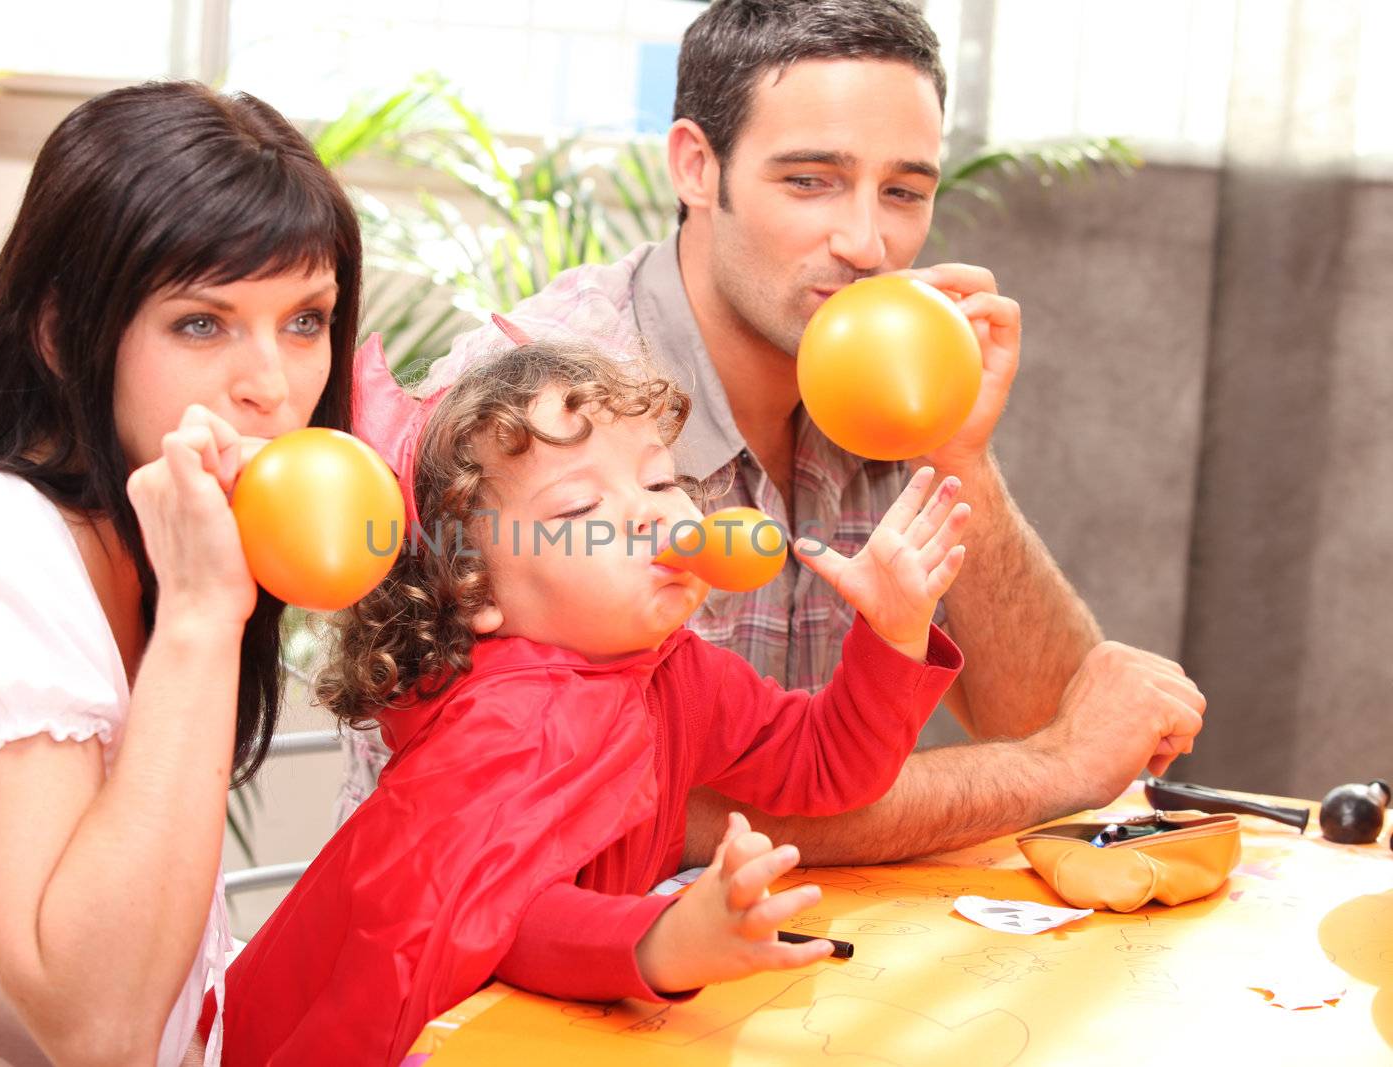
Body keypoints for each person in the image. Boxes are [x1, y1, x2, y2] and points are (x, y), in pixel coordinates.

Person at [338, 0, 1207, 865]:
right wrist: (1051, 770)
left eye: (903, 192)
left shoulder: (885, 376)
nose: (868, 243)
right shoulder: (527, 410)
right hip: (499, 979)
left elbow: (1051, 721)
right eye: (810, 181)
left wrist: (958, 454)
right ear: (695, 167)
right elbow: (632, 814)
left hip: (789, 965)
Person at [0, 81, 362, 1066]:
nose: (271, 384)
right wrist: (198, 617)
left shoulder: (145, 534)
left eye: (304, 321)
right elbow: (98, 1024)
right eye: (203, 323)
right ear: (61, 333)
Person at [216, 338, 968, 1065]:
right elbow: (503, 922)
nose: (650, 515)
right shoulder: (504, 723)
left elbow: (828, 767)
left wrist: (893, 631)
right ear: (474, 591)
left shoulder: (676, 672)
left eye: (660, 480)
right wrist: (659, 940)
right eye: (579, 511)